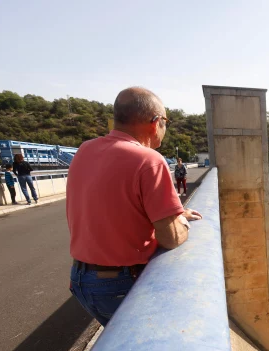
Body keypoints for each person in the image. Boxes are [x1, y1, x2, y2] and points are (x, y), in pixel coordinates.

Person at [67, 86, 202, 326]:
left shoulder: (85, 150)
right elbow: (171, 238)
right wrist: (179, 220)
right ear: (156, 122)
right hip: (118, 283)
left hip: (81, 279)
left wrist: (173, 212)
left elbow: (119, 204)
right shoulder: (149, 160)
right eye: (166, 122)